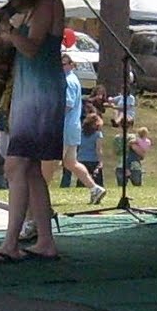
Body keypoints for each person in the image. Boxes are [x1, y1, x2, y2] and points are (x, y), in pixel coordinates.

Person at [0, 0, 66, 262]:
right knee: (30, 167)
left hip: (41, 90)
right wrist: (2, 32)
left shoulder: (48, 4)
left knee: (16, 164)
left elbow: (32, 47)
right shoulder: (27, 5)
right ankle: (45, 241)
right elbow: (1, 43)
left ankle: (11, 243)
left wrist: (8, 31)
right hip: (25, 89)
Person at [58, 53, 107, 203]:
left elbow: (67, 105)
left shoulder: (68, 81)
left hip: (65, 128)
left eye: (65, 63)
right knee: (71, 163)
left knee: (51, 162)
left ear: (72, 65)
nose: (61, 66)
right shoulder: (71, 79)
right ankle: (95, 189)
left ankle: (37, 197)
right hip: (72, 128)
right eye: (60, 63)